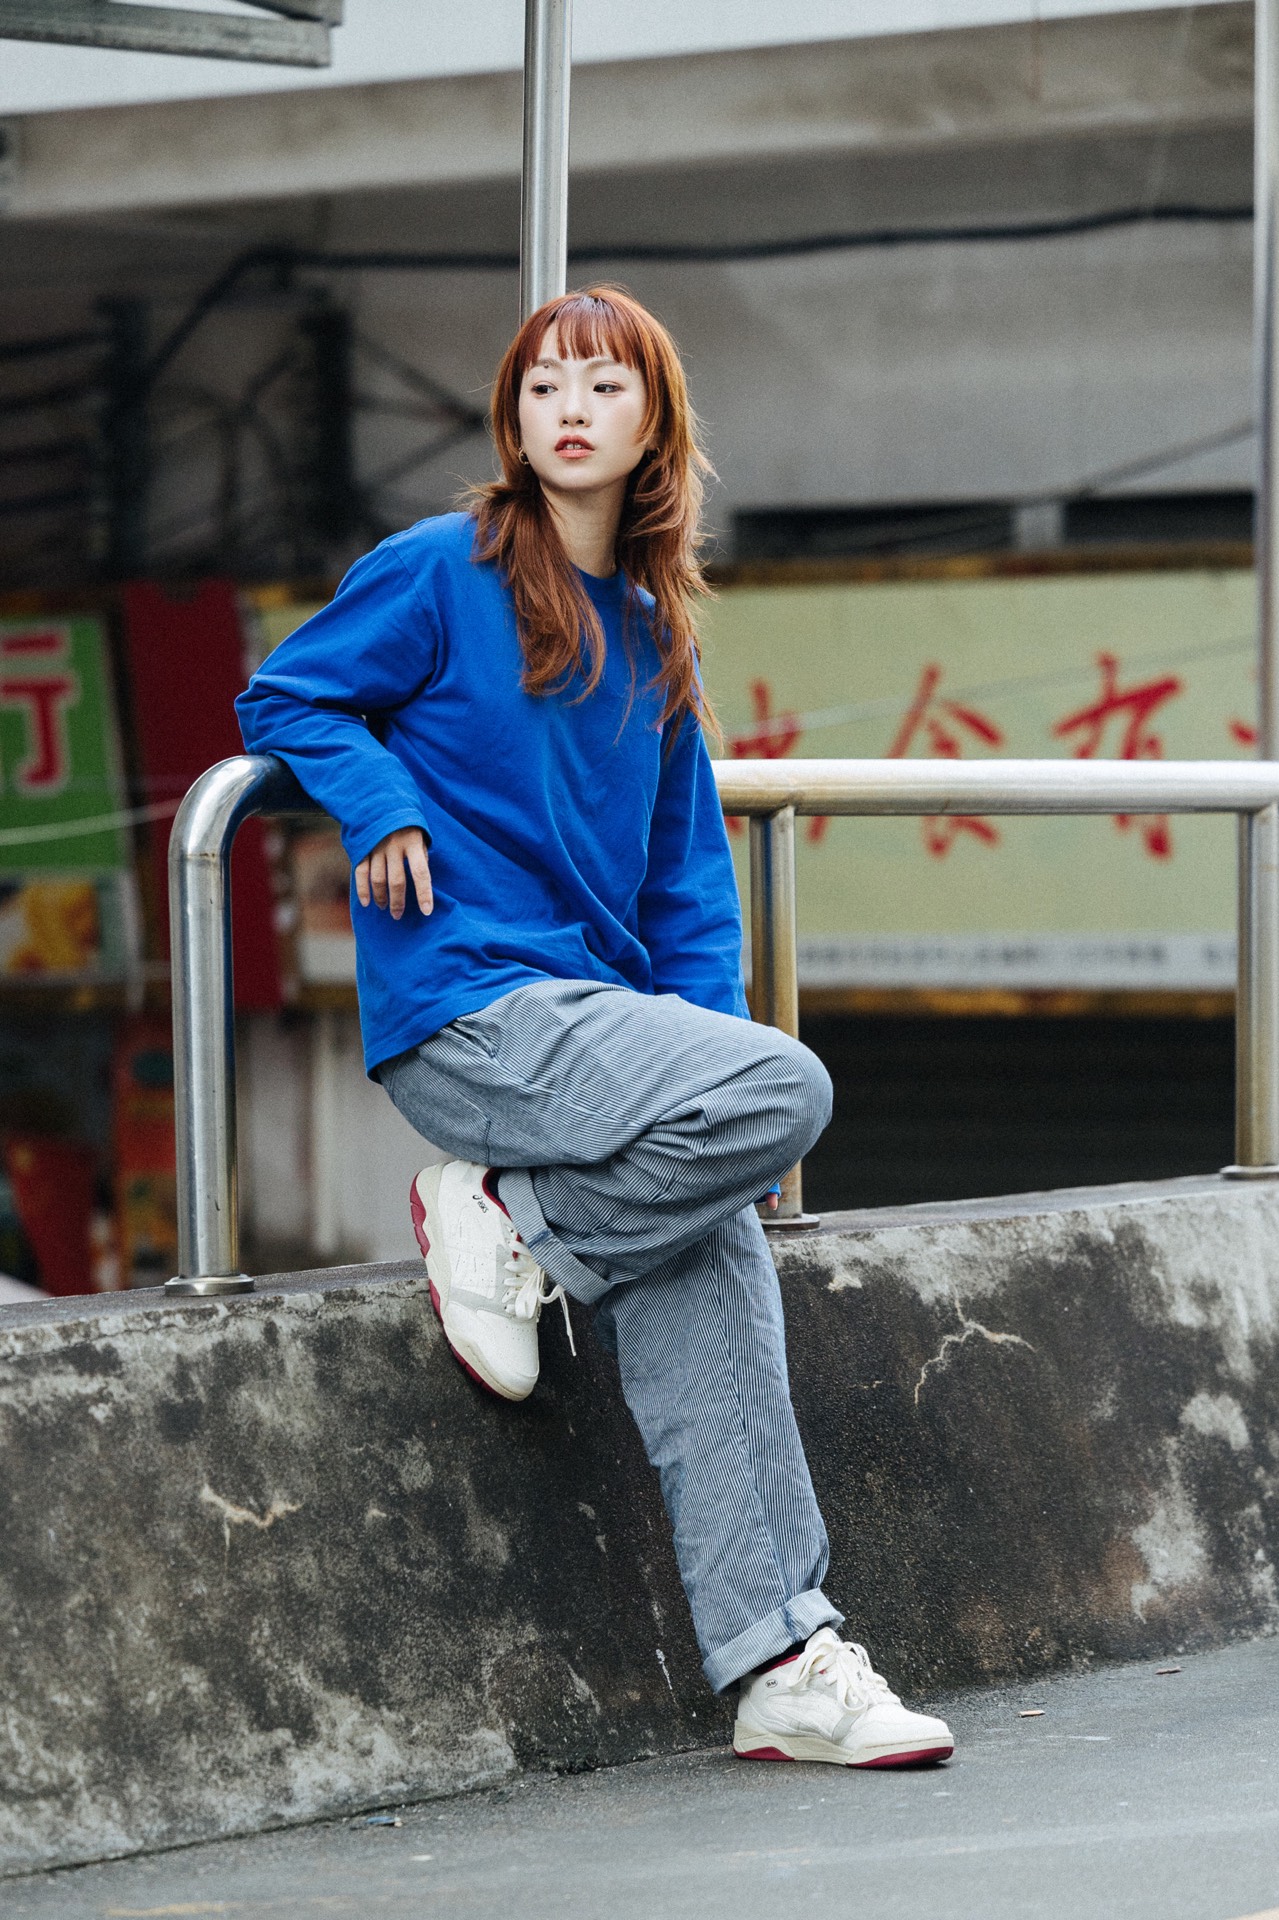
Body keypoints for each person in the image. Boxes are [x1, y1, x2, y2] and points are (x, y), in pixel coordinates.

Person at [236, 284, 953, 1771]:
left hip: (600, 1026)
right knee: (790, 1089)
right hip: (470, 1011)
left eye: (605, 387)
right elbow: (289, 699)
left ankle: (781, 1659)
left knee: (719, 1231)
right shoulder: (439, 570)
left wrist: (709, 1083)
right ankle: (508, 1214)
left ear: (654, 426)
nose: (571, 409)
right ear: (513, 419)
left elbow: (686, 889)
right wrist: (379, 800)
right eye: (544, 384)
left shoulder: (655, 633)